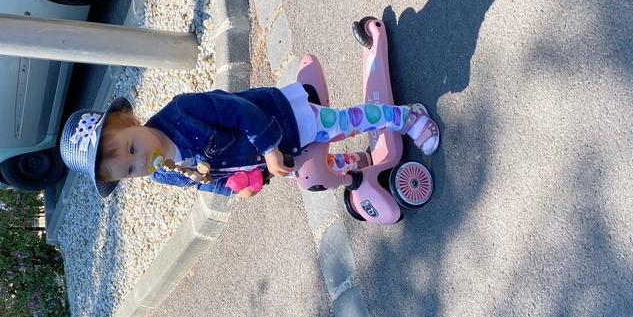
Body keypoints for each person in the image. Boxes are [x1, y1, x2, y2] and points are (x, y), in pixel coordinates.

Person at [59, 84, 440, 200]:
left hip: (282, 120)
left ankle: (405, 116)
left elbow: (239, 110)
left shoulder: (182, 111)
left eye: (131, 148)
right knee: (312, 174)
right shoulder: (163, 175)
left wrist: (270, 148)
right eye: (130, 170)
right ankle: (356, 162)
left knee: (342, 124)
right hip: (270, 160)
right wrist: (233, 187)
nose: (140, 161)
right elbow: (203, 182)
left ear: (130, 122)